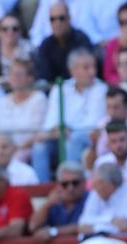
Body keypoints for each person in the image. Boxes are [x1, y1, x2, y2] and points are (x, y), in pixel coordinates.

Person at [33, 48, 108, 182]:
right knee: (39, 147)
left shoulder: (101, 89)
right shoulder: (60, 88)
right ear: (73, 70)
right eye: (86, 68)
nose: (92, 72)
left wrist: (68, 130)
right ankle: (42, 188)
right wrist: (57, 130)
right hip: (60, 135)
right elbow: (50, 122)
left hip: (85, 138)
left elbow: (93, 124)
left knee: (73, 140)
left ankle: (69, 183)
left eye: (93, 67)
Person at [0, 58, 47, 161]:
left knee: (17, 159)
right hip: (2, 150)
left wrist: (17, 148)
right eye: (12, 74)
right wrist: (1, 149)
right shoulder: (2, 101)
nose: (15, 78)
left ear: (30, 78)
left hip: (27, 148)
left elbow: (37, 132)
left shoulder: (39, 99)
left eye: (19, 74)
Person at [78, 160, 127, 235]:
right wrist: (110, 220)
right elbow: (82, 224)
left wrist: (93, 226)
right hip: (101, 242)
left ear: (109, 185)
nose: (93, 188)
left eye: (97, 184)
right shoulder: (96, 193)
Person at [29, 160, 88, 241]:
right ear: (58, 185)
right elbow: (33, 227)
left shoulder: (90, 199)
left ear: (83, 183)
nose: (70, 188)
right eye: (65, 184)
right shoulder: (54, 202)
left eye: (75, 183)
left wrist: (53, 231)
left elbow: (85, 226)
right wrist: (47, 205)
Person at [35, 2, 93, 84]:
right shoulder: (46, 45)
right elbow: (45, 76)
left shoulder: (81, 40)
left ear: (69, 18)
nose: (57, 23)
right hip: (55, 91)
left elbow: (87, 71)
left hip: (81, 88)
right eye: (53, 19)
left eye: (61, 18)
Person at [0, 12, 33, 89]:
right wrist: (11, 80)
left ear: (20, 32)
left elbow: (26, 77)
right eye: (5, 29)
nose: (10, 32)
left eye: (15, 29)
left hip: (23, 90)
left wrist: (3, 80)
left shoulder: (27, 48)